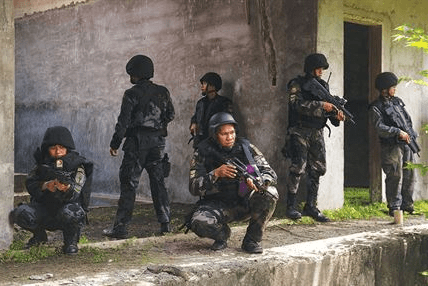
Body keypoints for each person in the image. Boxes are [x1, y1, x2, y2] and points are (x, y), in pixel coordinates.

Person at [103, 54, 175, 238]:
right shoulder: (163, 91)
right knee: (159, 184)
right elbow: (171, 115)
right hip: (158, 144)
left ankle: (120, 228)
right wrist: (157, 127)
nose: (130, 78)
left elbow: (123, 122)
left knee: (129, 184)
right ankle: (165, 224)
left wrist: (115, 143)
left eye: (131, 74)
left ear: (136, 74)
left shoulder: (131, 94)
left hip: (136, 144)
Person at [185, 112, 278, 254]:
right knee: (199, 221)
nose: (230, 137)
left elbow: (269, 173)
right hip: (217, 204)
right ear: (215, 134)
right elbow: (193, 187)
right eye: (224, 134)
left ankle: (252, 240)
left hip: (244, 202)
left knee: (270, 193)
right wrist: (215, 174)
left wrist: (258, 180)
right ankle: (222, 234)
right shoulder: (203, 152)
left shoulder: (247, 148)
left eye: (232, 132)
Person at [11, 126, 93, 254]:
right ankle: (39, 237)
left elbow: (77, 190)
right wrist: (45, 185)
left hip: (66, 210)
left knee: (74, 213)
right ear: (47, 149)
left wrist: (67, 188)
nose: (58, 152)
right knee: (20, 213)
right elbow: (30, 182)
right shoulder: (42, 164)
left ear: (67, 148)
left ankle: (70, 242)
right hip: (44, 209)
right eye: (53, 148)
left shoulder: (78, 165)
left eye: (61, 148)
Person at [282, 53, 345, 222]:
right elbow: (295, 105)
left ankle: (311, 206)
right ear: (309, 68)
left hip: (317, 132)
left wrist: (335, 115)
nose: (321, 71)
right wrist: (321, 105)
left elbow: (329, 110)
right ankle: (290, 207)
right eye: (318, 68)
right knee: (298, 168)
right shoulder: (297, 84)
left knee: (317, 169)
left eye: (322, 68)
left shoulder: (323, 86)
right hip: (300, 131)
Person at [369, 72, 417, 216]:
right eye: (392, 87)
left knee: (409, 174)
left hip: (406, 143)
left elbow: (407, 119)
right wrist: (397, 132)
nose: (395, 89)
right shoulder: (376, 107)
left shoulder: (397, 102)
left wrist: (410, 133)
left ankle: (407, 204)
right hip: (391, 146)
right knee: (395, 175)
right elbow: (379, 127)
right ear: (384, 89)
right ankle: (395, 207)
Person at [189, 72, 233, 148]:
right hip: (200, 141)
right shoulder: (200, 103)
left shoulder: (224, 102)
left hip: (215, 142)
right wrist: (193, 123)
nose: (202, 87)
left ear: (212, 86)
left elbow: (227, 123)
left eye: (204, 84)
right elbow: (196, 117)